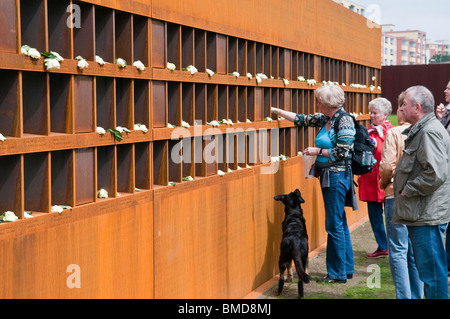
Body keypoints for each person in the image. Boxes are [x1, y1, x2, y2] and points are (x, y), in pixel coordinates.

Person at [271, 84, 357, 284]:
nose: (316, 103)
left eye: (319, 100)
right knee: (340, 223)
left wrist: (316, 151)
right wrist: (276, 111)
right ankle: (346, 268)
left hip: (336, 178)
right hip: (329, 177)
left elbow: (344, 151)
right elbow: (302, 119)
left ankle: (337, 273)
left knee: (334, 225)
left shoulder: (343, 120)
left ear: (327, 103)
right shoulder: (328, 118)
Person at [393, 85, 450, 299]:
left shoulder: (429, 131)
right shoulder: (425, 128)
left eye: (405, 104)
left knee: (432, 275)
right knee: (430, 273)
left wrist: (408, 189)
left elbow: (435, 173)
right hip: (423, 213)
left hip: (427, 216)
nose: (402, 108)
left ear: (417, 107)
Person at [379, 92, 423, 299]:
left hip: (394, 194)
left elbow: (387, 166)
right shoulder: (425, 131)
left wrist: (383, 183)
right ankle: (416, 294)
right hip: (418, 196)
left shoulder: (394, 133)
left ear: (400, 110)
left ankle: (404, 296)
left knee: (397, 250)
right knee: (413, 252)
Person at [358, 98, 394, 258]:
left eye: (375, 113)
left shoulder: (391, 132)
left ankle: (395, 247)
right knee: (374, 215)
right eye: (370, 112)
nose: (371, 115)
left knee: (391, 216)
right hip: (371, 180)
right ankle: (382, 245)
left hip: (387, 179)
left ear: (385, 114)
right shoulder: (367, 132)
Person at [434, 79, 450, 276]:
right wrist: (439, 119)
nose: (445, 90)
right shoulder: (445, 113)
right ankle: (444, 264)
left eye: (448, 88)